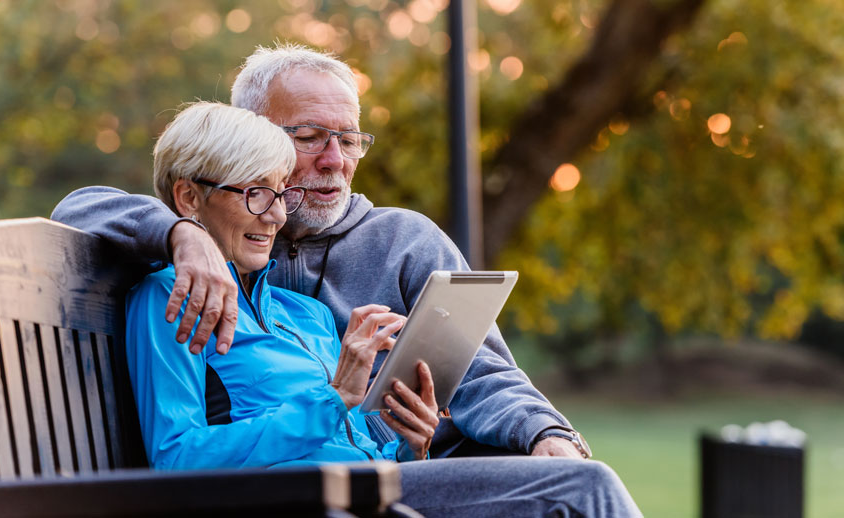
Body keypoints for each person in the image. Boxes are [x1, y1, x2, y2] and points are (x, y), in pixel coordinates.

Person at [52, 43, 585, 459]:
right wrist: (181, 235)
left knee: (574, 481)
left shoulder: (403, 241)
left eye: (349, 139)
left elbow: (483, 372)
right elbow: (81, 207)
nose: (335, 160)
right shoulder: (220, 226)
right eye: (309, 136)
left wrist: (545, 434)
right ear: (255, 139)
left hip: (422, 468)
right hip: (310, 491)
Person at [126, 100, 640, 517]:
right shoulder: (167, 300)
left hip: (381, 488)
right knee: (580, 488)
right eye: (258, 194)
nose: (276, 216)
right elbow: (177, 459)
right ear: (189, 198)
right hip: (306, 501)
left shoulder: (299, 312)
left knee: (566, 483)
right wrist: (334, 399)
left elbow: (366, 433)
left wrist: (410, 442)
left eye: (281, 195)